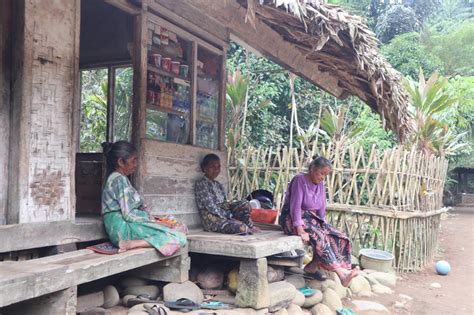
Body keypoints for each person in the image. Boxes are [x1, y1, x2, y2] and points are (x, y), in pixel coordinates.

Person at [279, 155, 359, 287]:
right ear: (312, 169)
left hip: (311, 219)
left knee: (337, 235)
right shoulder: (300, 180)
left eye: (325, 175)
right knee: (319, 236)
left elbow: (321, 207)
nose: (322, 177)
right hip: (291, 219)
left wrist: (323, 225)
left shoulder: (320, 184)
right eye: (321, 173)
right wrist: (300, 229)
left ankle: (312, 266)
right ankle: (342, 275)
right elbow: (295, 206)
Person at [101, 141, 187, 255]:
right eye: (134, 160)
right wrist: (155, 222)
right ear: (121, 162)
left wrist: (155, 221)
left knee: (178, 229)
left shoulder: (119, 178)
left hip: (123, 226)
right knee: (178, 237)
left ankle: (134, 242)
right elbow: (129, 214)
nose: (136, 164)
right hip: (122, 229)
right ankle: (131, 244)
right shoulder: (118, 179)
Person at [194, 153, 259, 234]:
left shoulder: (218, 185)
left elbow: (225, 204)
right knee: (242, 229)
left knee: (244, 204)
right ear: (204, 168)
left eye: (218, 167)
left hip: (225, 216)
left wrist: (231, 215)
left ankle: (249, 226)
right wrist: (230, 218)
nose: (216, 170)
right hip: (213, 220)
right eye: (212, 167)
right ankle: (244, 227)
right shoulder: (201, 184)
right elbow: (211, 208)